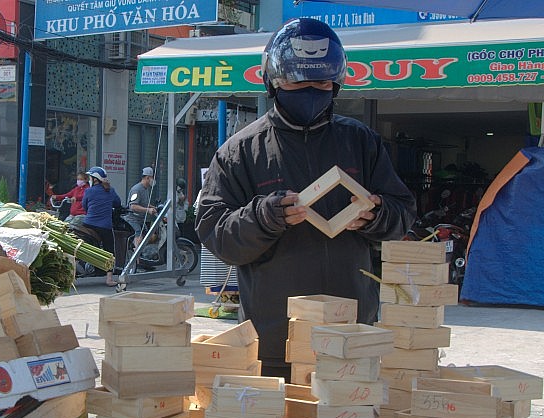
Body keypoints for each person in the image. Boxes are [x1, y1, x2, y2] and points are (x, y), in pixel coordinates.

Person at [195, 18, 416, 381]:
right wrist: (264, 216)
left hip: (351, 331)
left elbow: (403, 213)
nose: (312, 91)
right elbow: (217, 235)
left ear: (337, 84)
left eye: (322, 82)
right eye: (299, 82)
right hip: (274, 337)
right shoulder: (240, 151)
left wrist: (377, 215)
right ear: (274, 82)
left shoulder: (361, 142)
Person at [81, 166, 122, 287]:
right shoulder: (110, 191)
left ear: (94, 179)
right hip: (105, 227)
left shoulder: (89, 191)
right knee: (110, 251)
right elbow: (118, 203)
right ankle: (109, 279)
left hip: (88, 225)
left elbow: (85, 207)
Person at [124, 166, 158, 249]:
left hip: (141, 219)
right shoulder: (136, 189)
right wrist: (148, 210)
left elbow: (144, 203)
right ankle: (136, 256)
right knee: (138, 233)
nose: (153, 180)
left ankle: (142, 254)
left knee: (149, 235)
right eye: (152, 178)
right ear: (147, 177)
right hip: (133, 219)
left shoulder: (145, 189)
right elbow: (133, 206)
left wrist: (154, 207)